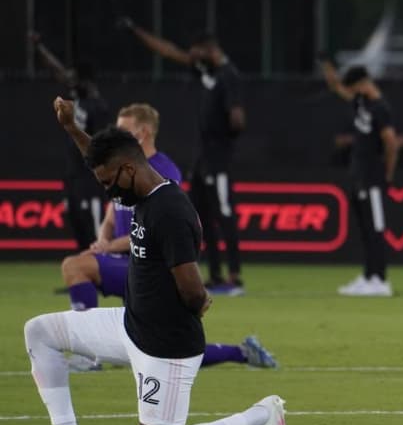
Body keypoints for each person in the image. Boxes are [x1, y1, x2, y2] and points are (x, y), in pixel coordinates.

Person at [10, 102, 288, 425]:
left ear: (128, 170)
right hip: (129, 325)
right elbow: (104, 155)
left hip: (166, 346)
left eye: (110, 183)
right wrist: (71, 129)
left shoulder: (170, 211)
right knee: (40, 332)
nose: (109, 192)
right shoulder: (138, 184)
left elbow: (191, 290)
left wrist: (200, 299)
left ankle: (262, 414)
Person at [56, 103, 276, 370]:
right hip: (130, 262)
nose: (117, 135)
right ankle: (241, 352)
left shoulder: (159, 173)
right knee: (154, 349)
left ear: (143, 132)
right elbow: (112, 211)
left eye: (124, 130)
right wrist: (103, 238)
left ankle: (88, 356)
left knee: (76, 267)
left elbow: (158, 226)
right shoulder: (121, 169)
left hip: (150, 265)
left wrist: (109, 246)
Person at [123, 19, 246, 295]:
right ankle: (214, 275)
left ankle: (235, 276)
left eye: (196, 53)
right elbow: (170, 52)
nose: (192, 58)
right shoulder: (206, 69)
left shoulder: (229, 76)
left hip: (219, 159)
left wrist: (223, 134)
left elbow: (238, 119)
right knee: (203, 216)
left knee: (225, 213)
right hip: (202, 159)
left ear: (209, 50)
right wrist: (137, 31)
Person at [322, 61, 399, 296]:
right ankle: (368, 276)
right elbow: (339, 88)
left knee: (376, 229)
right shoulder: (360, 101)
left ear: (364, 84)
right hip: (359, 176)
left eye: (354, 87)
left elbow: (391, 143)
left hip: (374, 176)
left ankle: (380, 280)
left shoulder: (380, 107)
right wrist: (328, 67)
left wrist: (388, 173)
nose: (352, 92)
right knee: (365, 229)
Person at [32, 32, 111, 251]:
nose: (70, 81)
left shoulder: (98, 107)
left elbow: (102, 143)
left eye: (75, 78)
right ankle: (84, 273)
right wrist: (40, 48)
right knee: (77, 222)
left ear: (86, 80)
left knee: (94, 225)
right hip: (73, 174)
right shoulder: (76, 99)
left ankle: (103, 271)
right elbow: (58, 71)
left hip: (90, 175)